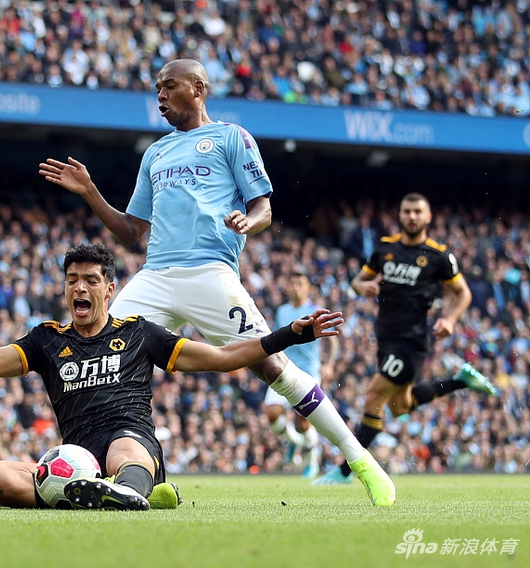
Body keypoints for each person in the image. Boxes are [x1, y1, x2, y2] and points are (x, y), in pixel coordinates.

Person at [39, 58, 395, 506]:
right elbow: (131, 233)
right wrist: (91, 192)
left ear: (198, 88)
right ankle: (126, 475)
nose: (160, 95)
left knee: (271, 366)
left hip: (210, 271)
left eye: (170, 86)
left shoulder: (231, 138)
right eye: (157, 88)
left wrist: (249, 222)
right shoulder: (155, 153)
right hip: (155, 275)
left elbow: (263, 208)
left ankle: (358, 458)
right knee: (97, 350)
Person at [0, 242, 342, 510]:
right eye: (72, 279)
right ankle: (93, 495)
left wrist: (289, 335)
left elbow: (223, 357)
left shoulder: (139, 333)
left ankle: (125, 491)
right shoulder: (47, 339)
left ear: (109, 289)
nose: (80, 287)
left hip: (132, 443)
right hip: (77, 459)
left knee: (122, 451)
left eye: (90, 280)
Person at [314, 193, 497, 485]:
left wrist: (450, 319)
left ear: (428, 217)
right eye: (407, 211)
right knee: (400, 406)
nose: (412, 216)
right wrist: (364, 287)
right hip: (386, 337)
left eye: (417, 212)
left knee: (374, 396)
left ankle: (346, 471)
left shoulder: (438, 255)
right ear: (400, 215)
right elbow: (358, 280)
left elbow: (463, 293)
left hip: (413, 340)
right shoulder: (385, 249)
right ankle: (461, 381)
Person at [264, 269, 339, 479]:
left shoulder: (315, 310)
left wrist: (329, 365)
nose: (295, 288)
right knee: (272, 413)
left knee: (303, 421)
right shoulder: (282, 311)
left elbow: (333, 342)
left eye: (300, 284)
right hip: (283, 368)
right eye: (292, 284)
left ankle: (311, 461)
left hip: (309, 371)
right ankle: (294, 440)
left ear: (308, 288)